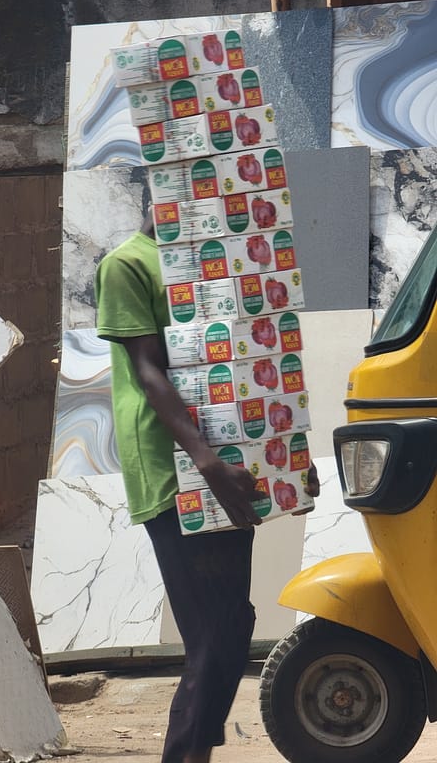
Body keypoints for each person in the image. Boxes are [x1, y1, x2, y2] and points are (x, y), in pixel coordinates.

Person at [95, 205, 319, 763]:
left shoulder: (215, 267)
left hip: (228, 465)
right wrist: (206, 463)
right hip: (172, 467)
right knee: (211, 635)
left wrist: (289, 457)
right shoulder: (128, 265)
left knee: (233, 623)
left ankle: (196, 751)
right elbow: (149, 370)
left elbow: (255, 365)